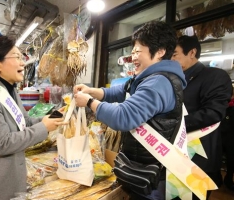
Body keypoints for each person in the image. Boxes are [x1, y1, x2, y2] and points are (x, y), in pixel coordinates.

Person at [73, 21, 187, 200]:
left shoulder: (158, 82)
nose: (133, 56)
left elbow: (123, 117)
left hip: (151, 173)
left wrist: (89, 102)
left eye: (138, 51)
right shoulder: (149, 77)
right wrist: (92, 91)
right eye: (132, 51)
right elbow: (120, 92)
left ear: (160, 52)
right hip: (143, 166)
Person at [0, 36, 67, 200]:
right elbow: (2, 143)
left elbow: (26, 122)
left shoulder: (10, 90)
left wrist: (54, 117)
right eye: (17, 57)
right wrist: (44, 127)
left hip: (9, 178)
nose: (23, 63)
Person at [172, 35, 232, 199]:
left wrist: (170, 125)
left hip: (198, 159)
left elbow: (212, 113)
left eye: (175, 54)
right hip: (171, 155)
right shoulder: (172, 79)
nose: (171, 59)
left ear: (192, 52)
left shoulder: (214, 76)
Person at [220, 85, 234, 191]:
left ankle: (228, 179)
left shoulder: (224, 105)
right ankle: (227, 180)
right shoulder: (225, 105)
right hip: (224, 137)